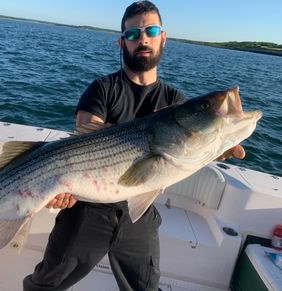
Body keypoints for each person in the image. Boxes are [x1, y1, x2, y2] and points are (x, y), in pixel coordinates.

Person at [23, 1, 245, 290]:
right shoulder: (102, 89)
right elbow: (81, 144)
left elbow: (181, 154)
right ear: (122, 42)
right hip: (87, 208)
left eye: (151, 30)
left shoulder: (174, 100)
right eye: (133, 34)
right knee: (46, 284)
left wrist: (214, 147)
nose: (143, 39)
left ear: (163, 37)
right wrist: (60, 188)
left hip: (141, 210)